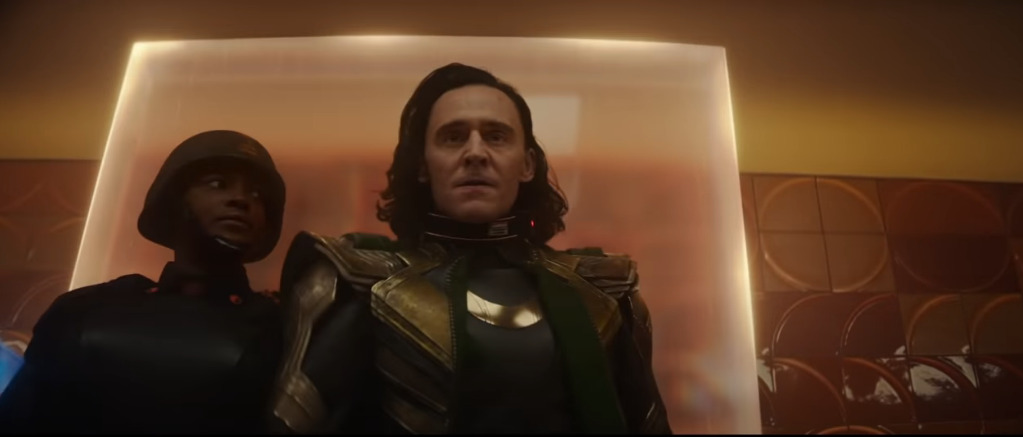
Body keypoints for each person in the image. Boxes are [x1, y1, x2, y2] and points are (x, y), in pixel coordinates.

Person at [269, 63, 671, 434]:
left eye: (496, 136)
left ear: (527, 164)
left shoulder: (602, 291)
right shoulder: (363, 282)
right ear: (423, 165)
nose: (475, 153)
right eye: (453, 137)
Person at [0, 130, 287, 433]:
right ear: (174, 201)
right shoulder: (84, 308)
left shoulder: (282, 326)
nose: (241, 200)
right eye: (217, 184)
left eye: (257, 195)